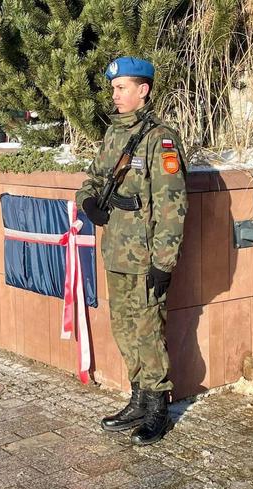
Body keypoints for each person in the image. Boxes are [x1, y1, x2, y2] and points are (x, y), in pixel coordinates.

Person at [75, 57, 188, 445]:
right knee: (124, 328)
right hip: (116, 252)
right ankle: (138, 397)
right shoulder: (113, 135)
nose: (115, 94)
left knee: (148, 330)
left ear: (144, 91)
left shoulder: (160, 139)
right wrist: (87, 200)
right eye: (113, 88)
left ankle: (158, 406)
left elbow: (173, 205)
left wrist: (164, 261)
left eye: (122, 87)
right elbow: (93, 178)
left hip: (144, 256)